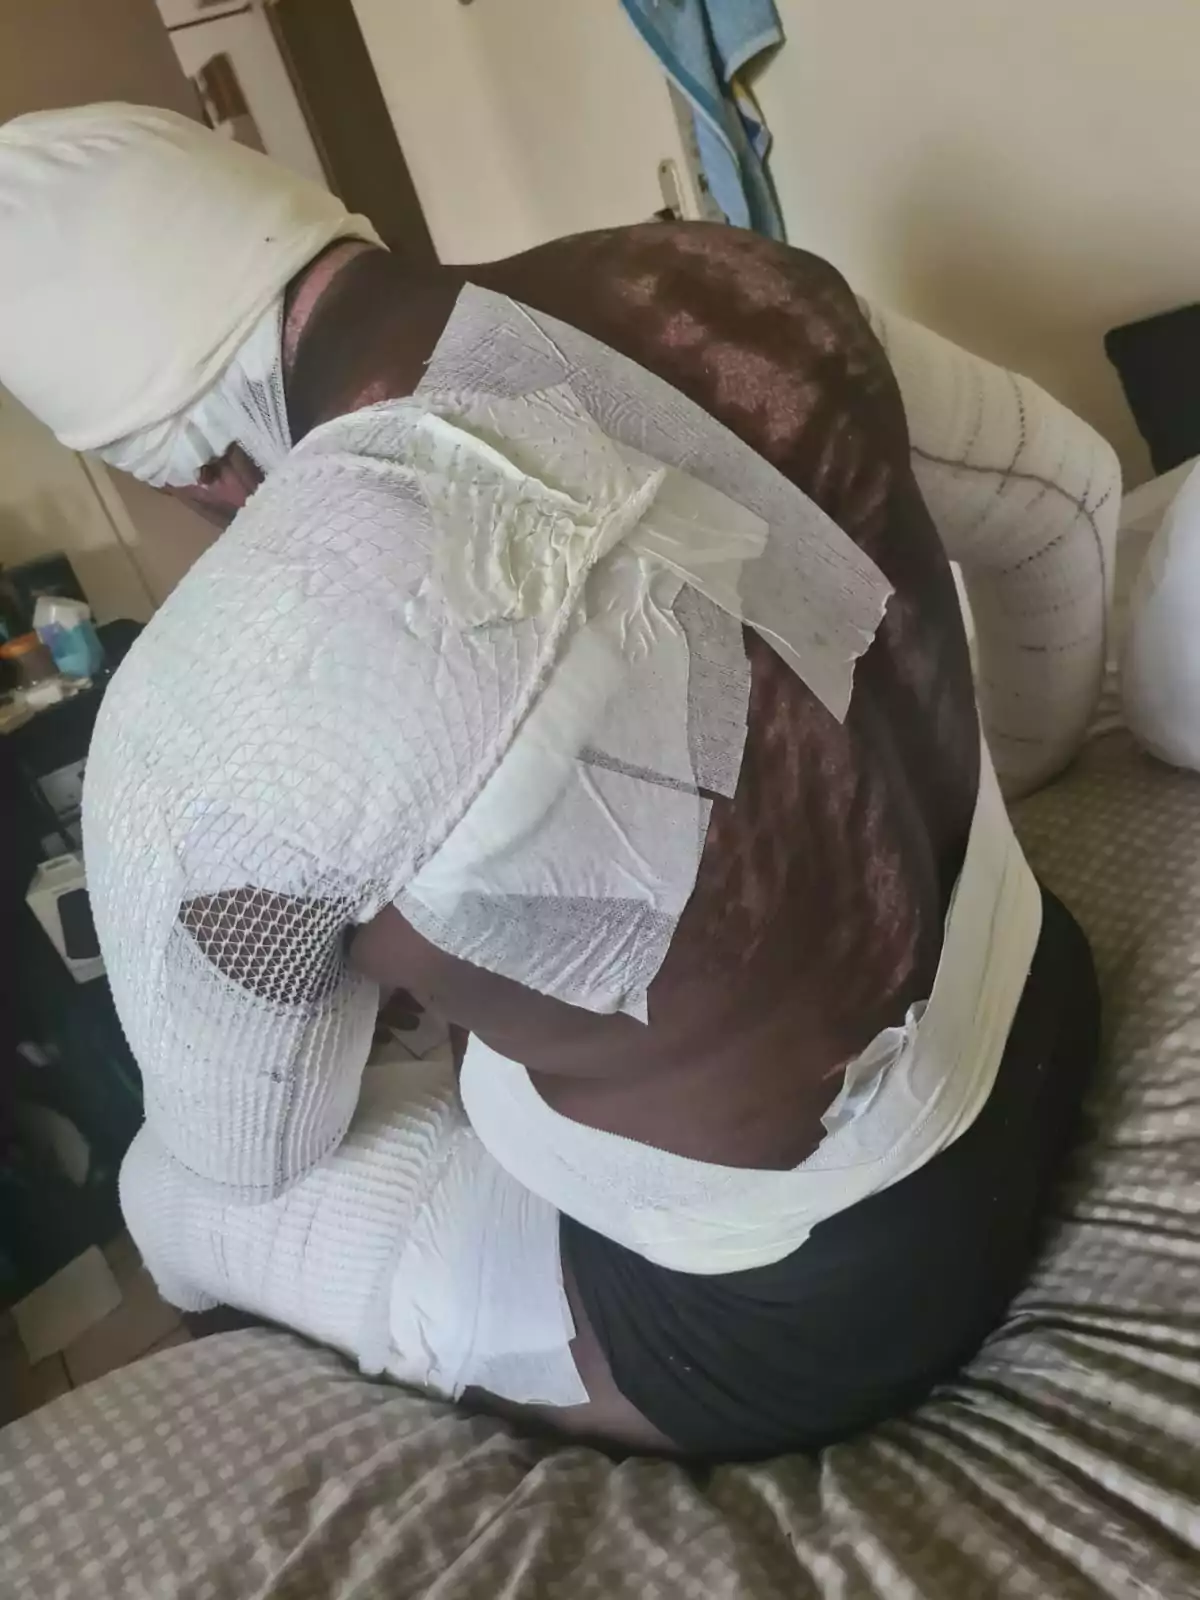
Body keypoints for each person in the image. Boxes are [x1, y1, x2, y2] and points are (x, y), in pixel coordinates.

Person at [0, 104, 1115, 1459]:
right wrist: (1038, 767)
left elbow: (257, 1148)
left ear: (205, 470)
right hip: (1045, 992)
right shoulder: (739, 281)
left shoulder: (216, 701)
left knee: (168, 1192)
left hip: (823, 1312)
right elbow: (1067, 502)